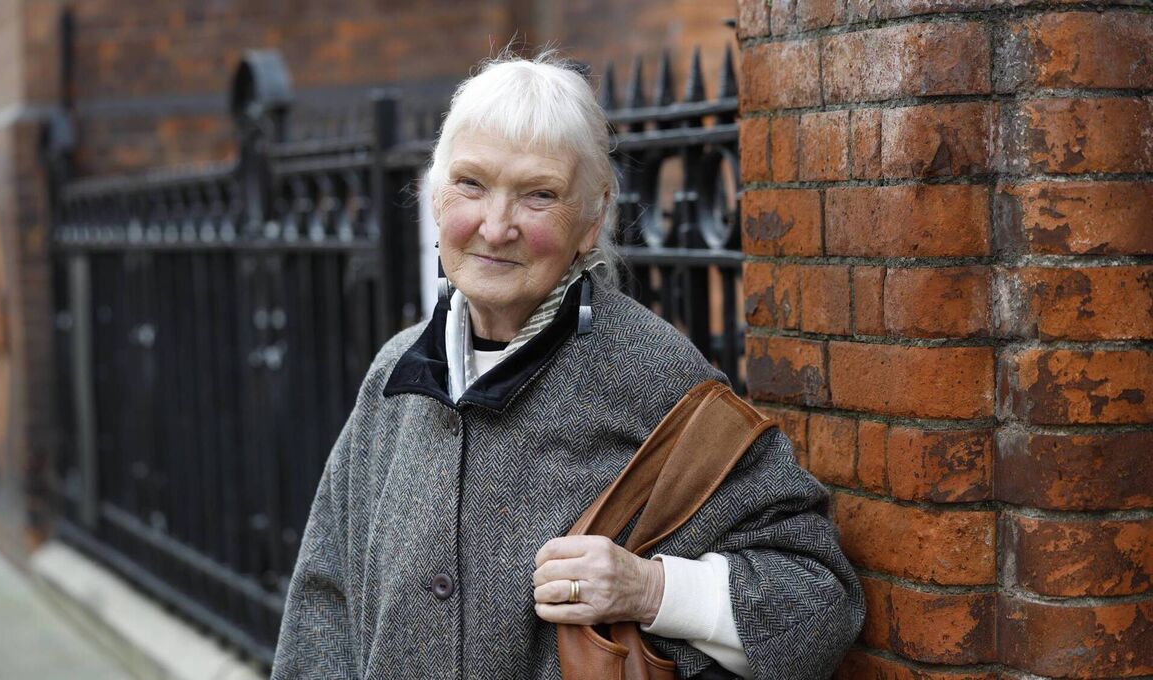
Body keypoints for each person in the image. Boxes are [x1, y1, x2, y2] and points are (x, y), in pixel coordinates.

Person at [271, 53, 864, 680]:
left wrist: (651, 589)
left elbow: (819, 602)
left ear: (591, 220)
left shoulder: (648, 368)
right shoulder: (395, 376)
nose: (496, 228)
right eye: (471, 184)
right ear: (437, 198)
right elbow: (324, 606)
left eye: (538, 195)